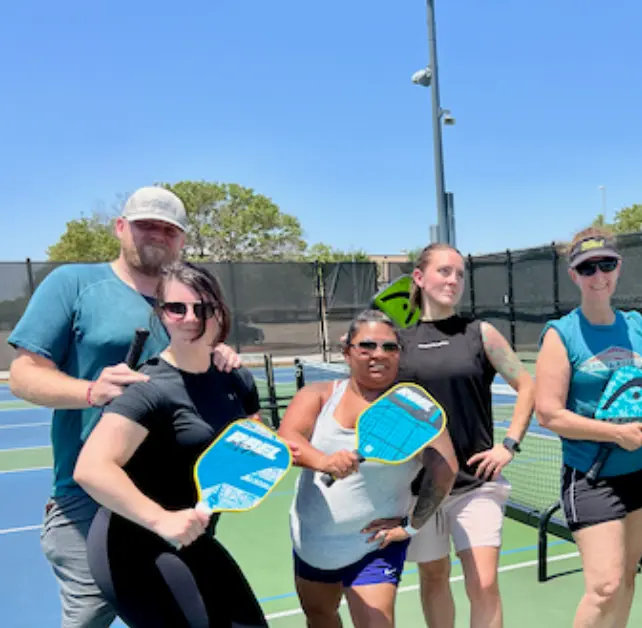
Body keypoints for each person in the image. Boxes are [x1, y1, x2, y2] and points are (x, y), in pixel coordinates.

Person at [6, 186, 241, 628]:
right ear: (120, 228)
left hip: (181, 501)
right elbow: (23, 375)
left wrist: (218, 358)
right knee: (90, 618)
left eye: (168, 229)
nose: (156, 235)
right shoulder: (74, 283)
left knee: (182, 616)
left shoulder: (189, 304)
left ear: (181, 240)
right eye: (144, 225)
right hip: (91, 499)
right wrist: (91, 391)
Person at [72, 261, 264, 627]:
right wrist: (162, 519)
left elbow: (255, 442)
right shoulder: (149, 387)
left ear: (220, 311)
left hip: (193, 534)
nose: (191, 317)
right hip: (133, 542)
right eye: (177, 308)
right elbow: (91, 468)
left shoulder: (235, 378)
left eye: (203, 308)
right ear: (161, 314)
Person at [534, 227, 642, 628]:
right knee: (604, 585)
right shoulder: (561, 334)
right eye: (588, 267)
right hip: (592, 477)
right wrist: (614, 434)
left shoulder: (636, 325)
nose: (598, 275)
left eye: (606, 264)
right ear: (574, 275)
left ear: (618, 268)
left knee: (627, 579)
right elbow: (548, 414)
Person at [279, 309, 459, 628]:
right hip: (313, 540)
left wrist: (411, 526)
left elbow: (445, 470)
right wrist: (325, 461)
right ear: (347, 351)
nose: (380, 354)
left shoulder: (416, 412)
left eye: (390, 347)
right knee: (320, 617)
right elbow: (287, 441)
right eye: (368, 346)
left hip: (374, 545)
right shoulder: (318, 395)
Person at [393, 243, 537, 628]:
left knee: (484, 583)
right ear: (420, 279)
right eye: (444, 271)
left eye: (459, 273)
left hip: (477, 483)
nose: (453, 280)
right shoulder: (398, 342)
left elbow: (527, 384)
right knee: (434, 578)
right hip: (419, 486)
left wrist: (509, 445)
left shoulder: (480, 333)